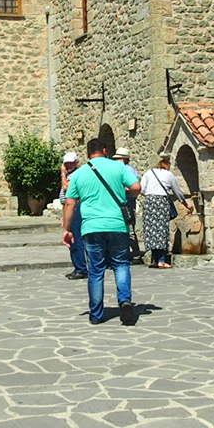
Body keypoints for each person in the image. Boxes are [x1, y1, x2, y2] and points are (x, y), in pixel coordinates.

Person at [62, 139, 142, 325]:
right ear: (105, 151)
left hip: (91, 227)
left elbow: (70, 203)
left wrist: (67, 229)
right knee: (121, 264)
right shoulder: (118, 167)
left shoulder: (79, 174)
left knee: (96, 270)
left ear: (87, 153)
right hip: (117, 224)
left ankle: (96, 314)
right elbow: (136, 187)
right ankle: (125, 302)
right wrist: (124, 193)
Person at [140, 153, 195, 269]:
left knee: (151, 230)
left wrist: (151, 195)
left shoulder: (148, 173)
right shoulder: (168, 175)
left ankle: (155, 260)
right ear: (167, 165)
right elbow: (177, 192)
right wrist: (186, 204)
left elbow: (142, 189)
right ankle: (161, 261)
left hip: (149, 202)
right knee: (162, 230)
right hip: (161, 202)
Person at [59, 152, 87, 281]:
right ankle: (78, 267)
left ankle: (81, 268)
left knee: (76, 239)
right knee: (73, 239)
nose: (68, 165)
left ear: (76, 163)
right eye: (66, 163)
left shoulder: (75, 175)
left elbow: (66, 188)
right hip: (69, 208)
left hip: (74, 209)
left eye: (71, 163)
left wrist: (62, 174)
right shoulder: (71, 174)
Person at [112, 146, 143, 261]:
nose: (117, 161)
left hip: (127, 202)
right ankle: (130, 251)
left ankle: (134, 252)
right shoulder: (126, 169)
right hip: (125, 201)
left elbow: (134, 186)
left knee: (128, 227)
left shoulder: (128, 170)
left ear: (124, 159)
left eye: (119, 158)